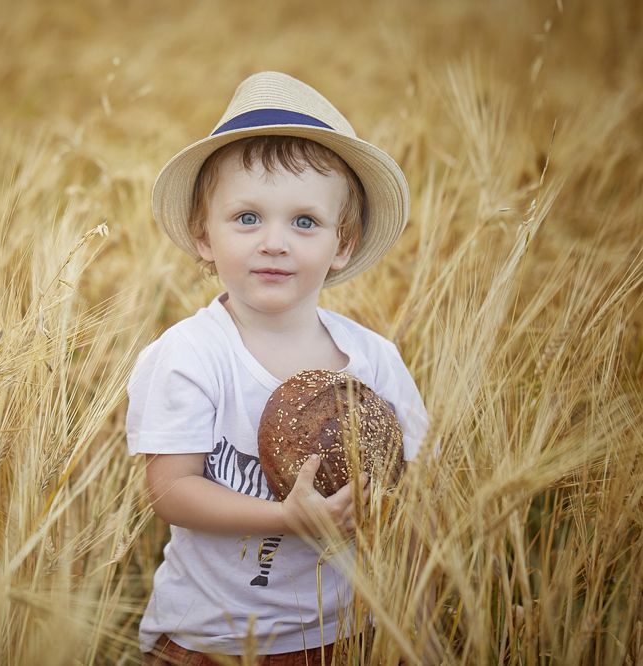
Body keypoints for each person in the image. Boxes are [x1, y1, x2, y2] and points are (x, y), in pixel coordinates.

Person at [126, 71, 430, 664]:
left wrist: (418, 626)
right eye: (247, 218)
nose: (274, 242)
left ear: (343, 244)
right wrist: (284, 518)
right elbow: (170, 490)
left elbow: (413, 501)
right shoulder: (191, 353)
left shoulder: (375, 361)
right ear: (204, 236)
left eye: (304, 222)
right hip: (208, 639)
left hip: (342, 635)